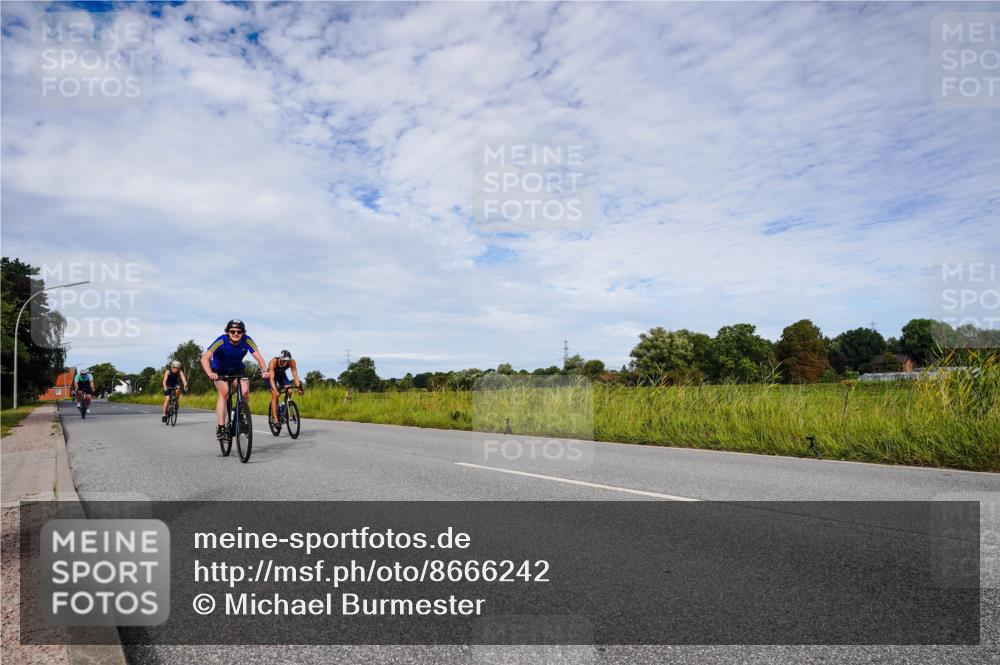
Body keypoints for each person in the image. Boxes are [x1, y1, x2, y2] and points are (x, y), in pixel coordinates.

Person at [200, 319, 269, 440]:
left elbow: (259, 358)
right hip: (219, 370)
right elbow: (205, 358)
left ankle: (240, 413)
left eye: (239, 331)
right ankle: (221, 428)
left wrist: (264, 370)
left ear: (243, 333)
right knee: (225, 392)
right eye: (232, 331)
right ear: (228, 332)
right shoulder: (221, 340)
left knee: (245, 391)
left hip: (237, 369)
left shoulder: (247, 340)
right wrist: (210, 373)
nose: (236, 333)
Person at [266, 349, 303, 422]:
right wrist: (275, 390)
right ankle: (275, 418)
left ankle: (284, 405)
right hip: (270, 376)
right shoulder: (273, 362)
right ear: (280, 358)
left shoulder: (292, 362)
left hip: (281, 375)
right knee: (275, 394)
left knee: (289, 391)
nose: (285, 363)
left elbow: (295, 375)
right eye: (284, 361)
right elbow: (272, 379)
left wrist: (299, 388)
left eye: (287, 361)